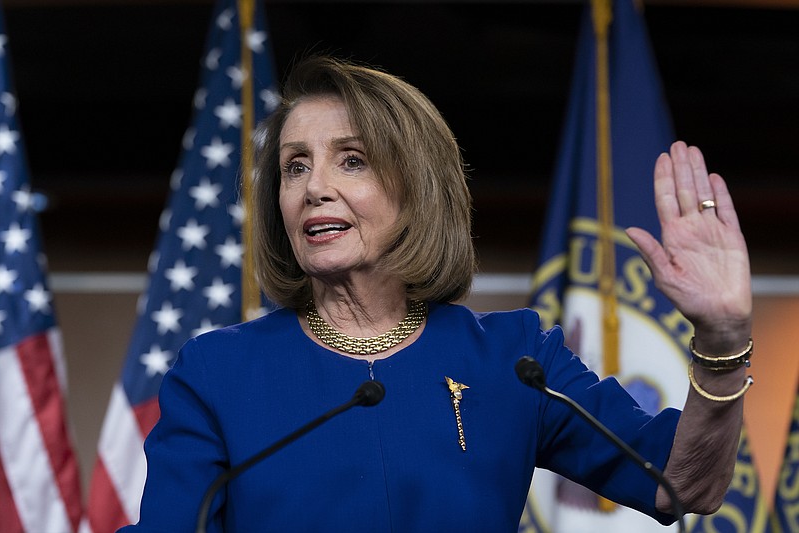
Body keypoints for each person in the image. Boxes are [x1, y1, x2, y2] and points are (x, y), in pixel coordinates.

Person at [122, 56, 752, 531]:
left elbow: (683, 482)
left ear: (418, 190)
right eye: (294, 166)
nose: (314, 187)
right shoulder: (218, 372)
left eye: (351, 160)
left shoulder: (516, 359)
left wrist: (723, 338)